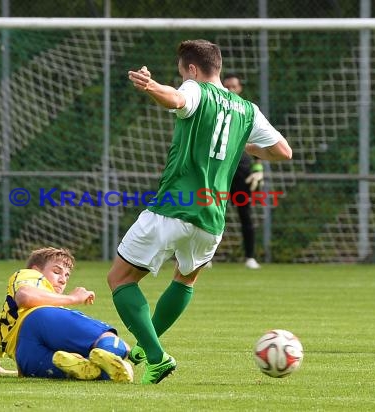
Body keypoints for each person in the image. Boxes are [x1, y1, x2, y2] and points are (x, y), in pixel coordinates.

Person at [106, 39, 292, 384]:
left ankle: (157, 356)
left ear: (192, 69)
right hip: (212, 217)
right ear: (218, 66)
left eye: (181, 71)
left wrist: (151, 87)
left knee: (119, 279)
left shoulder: (195, 89)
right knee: (185, 278)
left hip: (174, 206)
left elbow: (176, 99)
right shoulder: (246, 108)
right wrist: (245, 146)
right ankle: (146, 349)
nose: (182, 78)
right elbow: (283, 151)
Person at [0, 246, 134, 383]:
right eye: (57, 271)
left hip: (26, 357)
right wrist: (73, 298)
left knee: (89, 371)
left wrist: (8, 372)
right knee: (114, 341)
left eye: (66, 275)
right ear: (36, 270)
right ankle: (113, 354)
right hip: (40, 320)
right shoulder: (29, 275)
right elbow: (25, 296)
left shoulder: (2, 328)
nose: (63, 279)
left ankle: (86, 365)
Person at [223, 73, 264, 270]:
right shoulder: (216, 109)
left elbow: (259, 140)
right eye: (227, 86)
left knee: (245, 214)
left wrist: (258, 169)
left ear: (240, 88)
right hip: (220, 171)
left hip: (241, 172)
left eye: (234, 86)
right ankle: (205, 258)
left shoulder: (248, 112)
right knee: (212, 212)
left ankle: (250, 257)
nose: (231, 89)